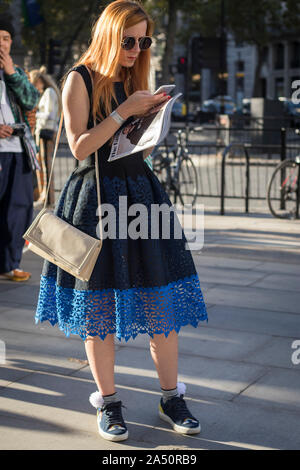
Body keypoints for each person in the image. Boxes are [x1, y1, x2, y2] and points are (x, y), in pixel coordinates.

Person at [35, 0, 207, 442]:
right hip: (93, 200)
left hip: (141, 195)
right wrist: (124, 112)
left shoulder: (135, 78)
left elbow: (132, 149)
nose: (136, 49)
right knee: (98, 309)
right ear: (110, 35)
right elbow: (79, 146)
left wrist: (148, 123)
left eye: (143, 40)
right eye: (129, 40)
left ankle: (172, 395)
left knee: (160, 301)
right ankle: (109, 403)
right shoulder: (80, 77)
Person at [0, 18, 40, 282]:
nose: (1, 43)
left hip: (20, 149)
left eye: (5, 38)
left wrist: (11, 72)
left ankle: (9, 264)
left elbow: (31, 100)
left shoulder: (18, 73)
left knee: (20, 210)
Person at [29, 67, 62, 204]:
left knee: (46, 166)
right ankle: (45, 195)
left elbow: (50, 114)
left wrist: (35, 114)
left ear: (39, 80)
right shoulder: (47, 93)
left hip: (46, 132)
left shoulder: (49, 93)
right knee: (42, 165)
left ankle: (48, 197)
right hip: (43, 131)